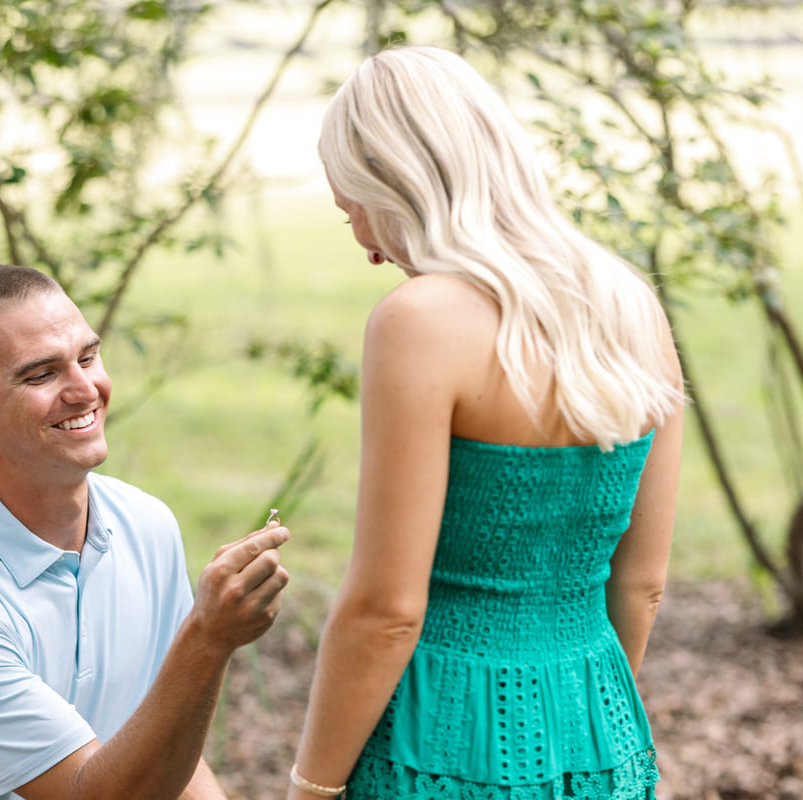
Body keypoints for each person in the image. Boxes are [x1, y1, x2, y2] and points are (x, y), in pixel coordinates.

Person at [288, 46, 685, 800]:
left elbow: (386, 612)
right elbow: (644, 583)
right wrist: (583, 715)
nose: (366, 248)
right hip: (603, 733)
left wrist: (309, 787)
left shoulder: (420, 320)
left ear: (395, 182)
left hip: (439, 743)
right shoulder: (635, 309)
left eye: (354, 211)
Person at [0, 264, 290, 800]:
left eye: (88, 357)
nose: (86, 389)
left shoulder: (146, 525)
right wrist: (208, 639)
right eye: (41, 375)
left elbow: (167, 742)